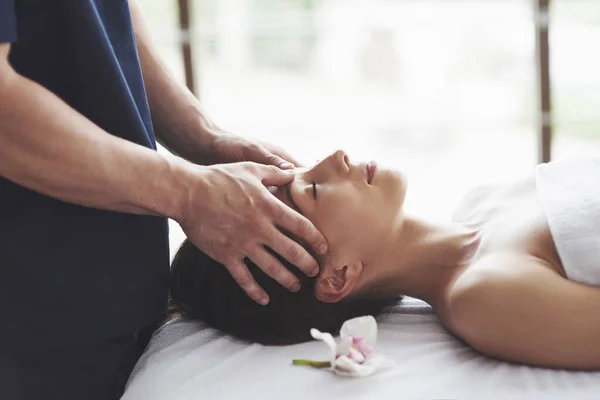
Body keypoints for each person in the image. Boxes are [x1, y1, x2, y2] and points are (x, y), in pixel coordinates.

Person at [0, 1, 328, 399]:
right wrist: (191, 192)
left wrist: (205, 138)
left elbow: (105, 16)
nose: (339, 160)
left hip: (114, 302)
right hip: (30, 314)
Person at [170, 149, 600, 370]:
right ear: (337, 277)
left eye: (303, 168)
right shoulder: (484, 297)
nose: (335, 156)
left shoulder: (480, 203)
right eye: (314, 189)